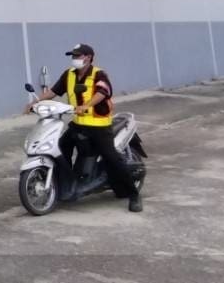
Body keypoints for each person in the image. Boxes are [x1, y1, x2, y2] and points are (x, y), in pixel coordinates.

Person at [26, 43, 141, 212]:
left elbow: (103, 92)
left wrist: (87, 105)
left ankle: (134, 195)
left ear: (88, 57)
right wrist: (35, 102)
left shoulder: (98, 74)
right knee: (60, 148)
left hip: (99, 126)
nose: (74, 59)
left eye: (77, 56)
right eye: (73, 56)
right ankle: (67, 183)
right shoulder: (69, 74)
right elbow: (54, 91)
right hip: (78, 124)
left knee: (112, 158)